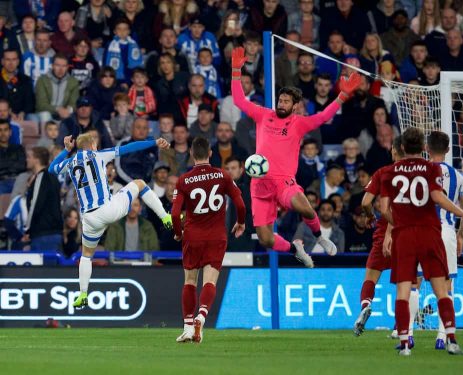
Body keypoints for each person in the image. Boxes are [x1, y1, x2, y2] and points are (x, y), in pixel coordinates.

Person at [230, 46, 361, 265]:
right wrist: (236, 71)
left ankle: (320, 237)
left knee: (305, 208)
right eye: (280, 100)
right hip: (260, 186)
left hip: (284, 183)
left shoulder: (299, 124)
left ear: (294, 106)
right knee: (265, 239)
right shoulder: (264, 115)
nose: (281, 104)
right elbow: (239, 101)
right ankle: (295, 249)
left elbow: (322, 116)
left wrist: (343, 95)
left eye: (286, 102)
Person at [379, 127, 463, 356]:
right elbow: (437, 197)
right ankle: (449, 339)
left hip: (404, 235)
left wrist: (398, 223)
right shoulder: (431, 169)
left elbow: (383, 209)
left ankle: (405, 342)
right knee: (442, 288)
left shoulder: (389, 172)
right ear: (422, 146)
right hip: (431, 232)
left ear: (402, 147)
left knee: (406, 288)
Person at [48, 133, 173, 309]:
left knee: (86, 255)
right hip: (107, 209)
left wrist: (66, 150)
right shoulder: (99, 155)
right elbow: (129, 148)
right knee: (139, 184)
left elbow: (51, 169)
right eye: (95, 144)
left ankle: (83, 293)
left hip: (89, 219)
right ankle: (165, 216)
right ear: (92, 145)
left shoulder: (70, 162)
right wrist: (153, 142)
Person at [171, 136, 246, 343]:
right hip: (216, 236)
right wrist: (240, 222)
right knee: (210, 281)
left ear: (192, 154)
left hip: (193, 236)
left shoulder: (184, 180)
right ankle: (201, 317)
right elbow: (240, 205)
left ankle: (187, 326)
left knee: (189, 281)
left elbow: (175, 214)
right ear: (210, 153)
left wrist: (178, 232)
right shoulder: (223, 175)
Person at [410, 131, 463, 350]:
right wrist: (461, 235)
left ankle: (408, 334)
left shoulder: (419, 173)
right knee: (446, 285)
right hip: (446, 231)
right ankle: (441, 335)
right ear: (447, 150)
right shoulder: (459, 176)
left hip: (421, 231)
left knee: (414, 282)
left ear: (427, 148)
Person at [353, 135, 403, 337]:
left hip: (383, 230)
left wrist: (370, 217)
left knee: (371, 276)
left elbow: (366, 202)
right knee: (406, 282)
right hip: (409, 230)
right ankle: (400, 325)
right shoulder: (418, 174)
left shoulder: (383, 172)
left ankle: (366, 305)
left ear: (395, 151)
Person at [23, 147, 63, 252]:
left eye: (29, 157)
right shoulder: (53, 177)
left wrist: (27, 229)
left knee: (42, 268)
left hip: (43, 234)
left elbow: (35, 204)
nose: (27, 160)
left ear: (36, 159)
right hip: (54, 233)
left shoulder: (41, 177)